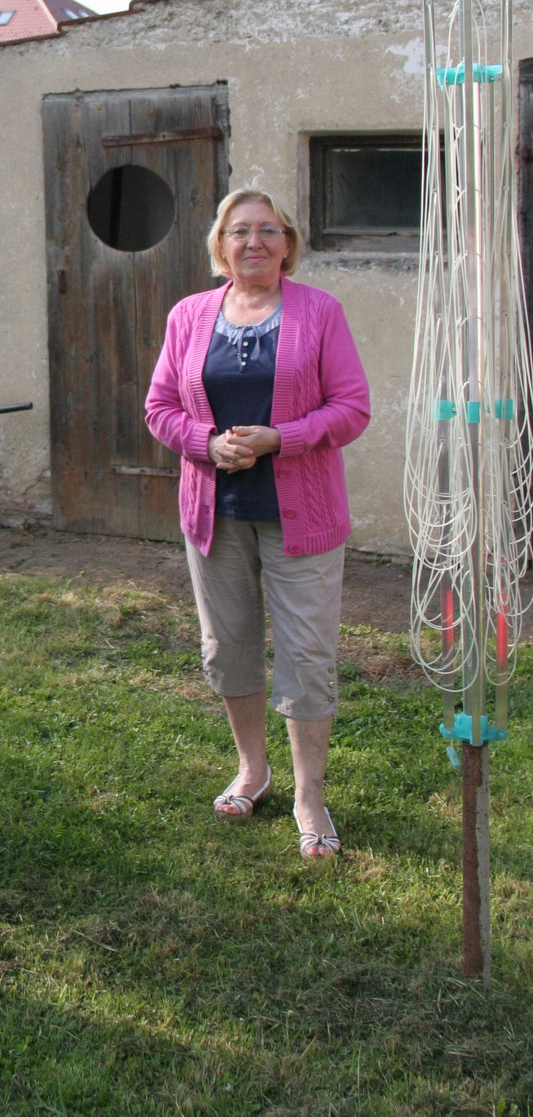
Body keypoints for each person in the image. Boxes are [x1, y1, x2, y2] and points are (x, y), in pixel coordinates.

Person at [145, 188, 370, 859]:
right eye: (239, 231)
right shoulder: (189, 315)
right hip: (215, 514)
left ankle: (309, 796)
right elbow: (160, 407)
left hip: (303, 517)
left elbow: (352, 407)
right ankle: (253, 770)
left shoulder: (320, 312)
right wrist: (206, 443)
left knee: (307, 656)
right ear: (221, 245)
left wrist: (282, 439)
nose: (254, 242)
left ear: (288, 244)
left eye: (269, 230)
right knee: (228, 647)